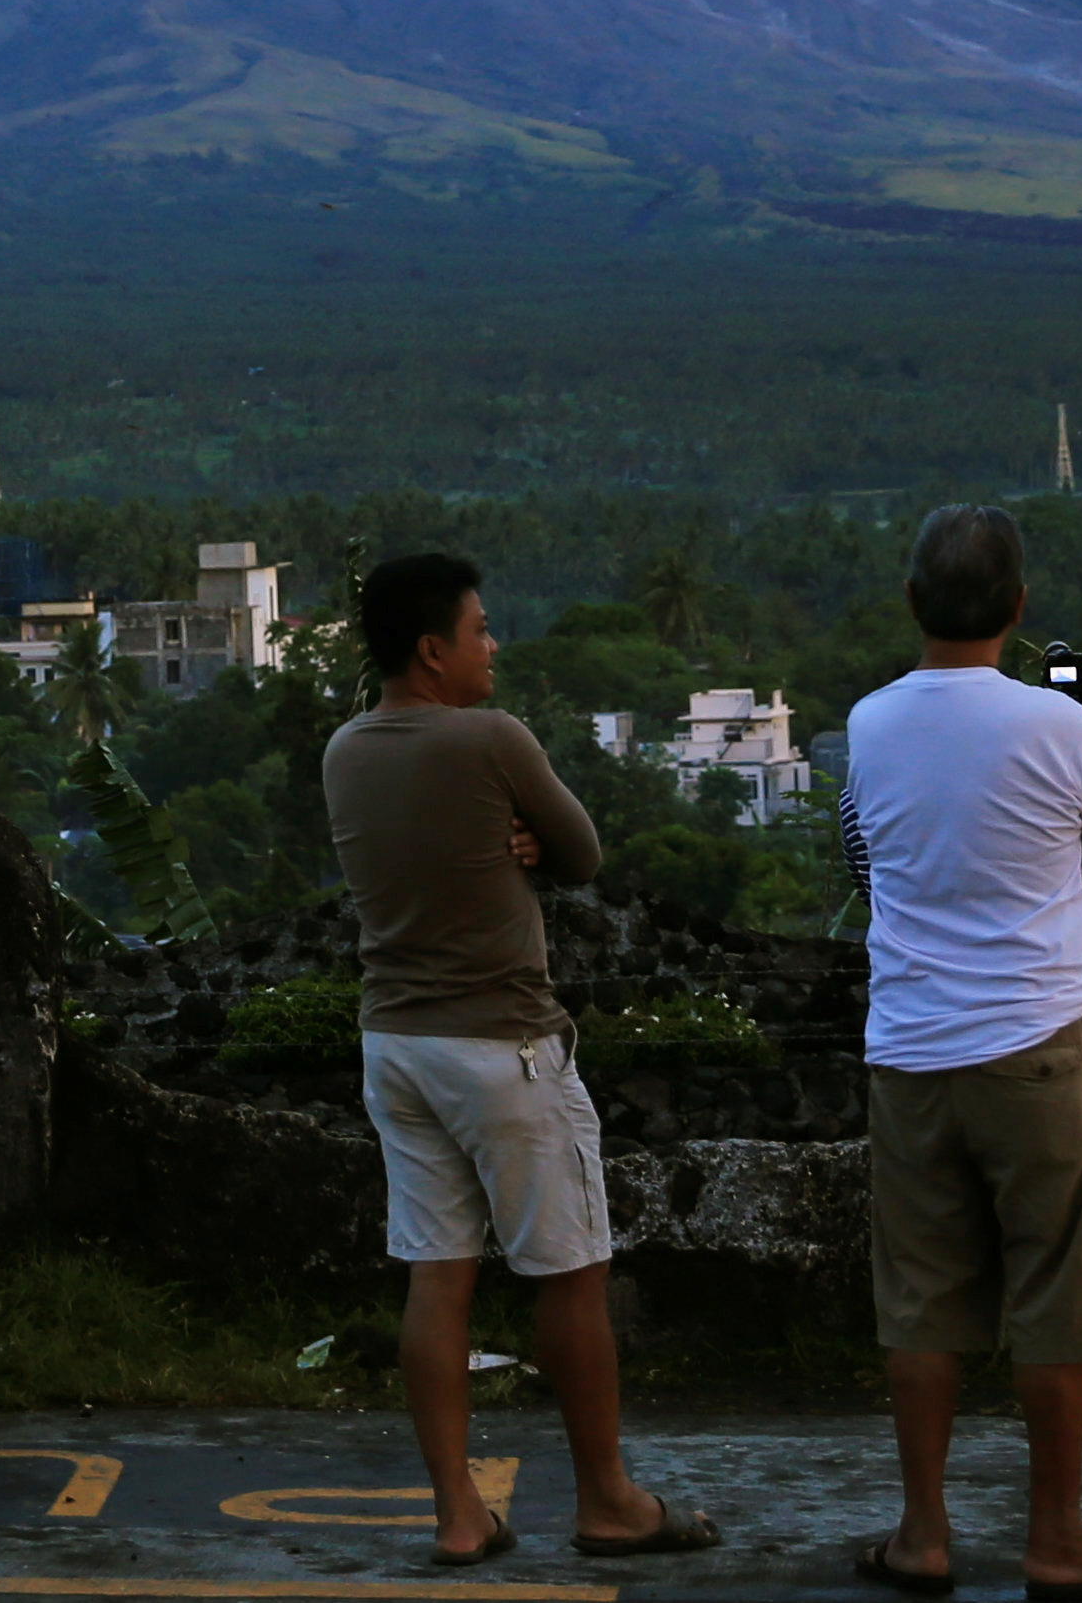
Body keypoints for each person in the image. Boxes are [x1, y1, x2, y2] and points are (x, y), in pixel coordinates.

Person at [319, 553, 717, 1567]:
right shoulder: (491, 738)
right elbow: (581, 852)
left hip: (396, 1043)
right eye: (481, 628)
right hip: (503, 1044)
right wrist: (531, 841)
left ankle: (459, 1512)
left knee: (436, 1272)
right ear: (432, 648)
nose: (493, 644)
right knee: (571, 1273)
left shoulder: (346, 749)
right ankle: (607, 1501)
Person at [838, 504, 1082, 1600]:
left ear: (912, 604)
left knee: (923, 1299)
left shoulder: (868, 719)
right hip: (1036, 1043)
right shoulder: (1057, 721)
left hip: (908, 1049)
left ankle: (923, 1533)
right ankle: (1057, 1538)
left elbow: (867, 840)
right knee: (1057, 1292)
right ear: (1019, 608)